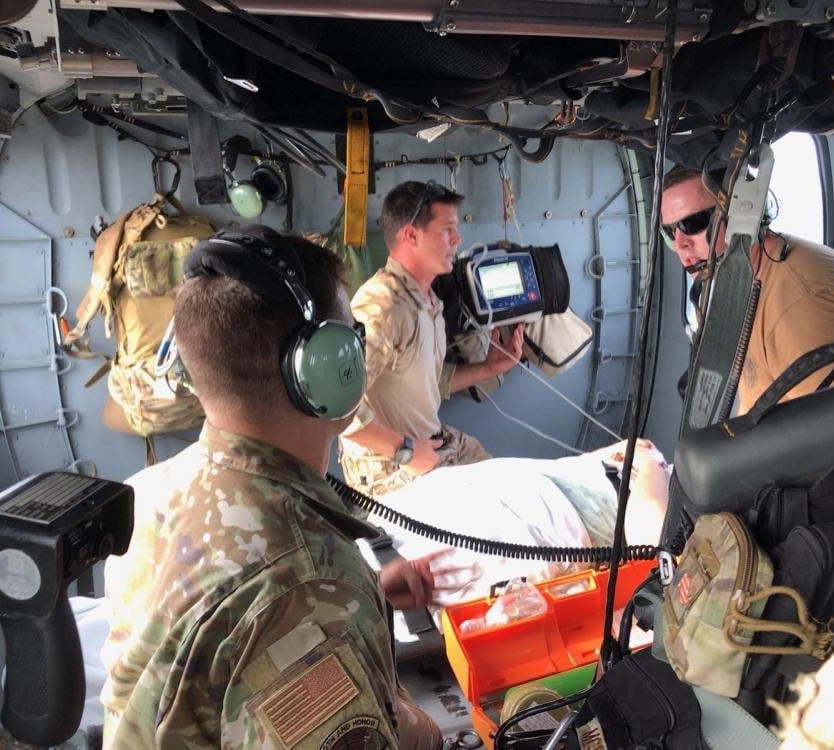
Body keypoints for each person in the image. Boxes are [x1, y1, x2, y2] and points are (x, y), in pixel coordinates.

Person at [100, 226, 453, 749]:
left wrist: (367, 600)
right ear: (331, 368)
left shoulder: (148, 493)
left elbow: (212, 648)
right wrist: (424, 731)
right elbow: (270, 602)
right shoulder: (306, 581)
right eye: (350, 336)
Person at [339, 180, 525, 496]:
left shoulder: (428, 302)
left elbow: (429, 382)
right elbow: (339, 405)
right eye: (446, 229)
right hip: (391, 468)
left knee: (512, 492)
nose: (457, 238)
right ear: (411, 235)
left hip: (427, 444)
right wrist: (405, 450)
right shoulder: (381, 307)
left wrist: (491, 367)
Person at [661, 165, 834, 414]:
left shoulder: (801, 303)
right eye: (669, 231)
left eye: (692, 223)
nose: (680, 244)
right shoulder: (741, 281)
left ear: (743, 213)